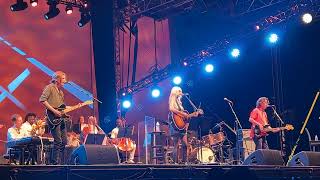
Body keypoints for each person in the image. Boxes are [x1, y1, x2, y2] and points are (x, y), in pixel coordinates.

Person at [39, 71, 77, 165]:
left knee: (64, 141)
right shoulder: (49, 87)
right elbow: (42, 100)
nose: (65, 81)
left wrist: (75, 106)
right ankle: (54, 162)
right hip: (53, 117)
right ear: (57, 79)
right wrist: (54, 111)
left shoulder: (60, 92)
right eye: (63, 78)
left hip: (61, 119)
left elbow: (62, 107)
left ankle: (59, 161)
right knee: (58, 141)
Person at [168, 86, 199, 164]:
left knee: (185, 144)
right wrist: (183, 114)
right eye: (179, 91)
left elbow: (185, 116)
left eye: (181, 91)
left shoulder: (179, 102)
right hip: (175, 125)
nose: (181, 92)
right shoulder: (173, 99)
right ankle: (175, 162)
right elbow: (171, 108)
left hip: (182, 126)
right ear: (174, 92)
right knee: (176, 144)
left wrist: (192, 115)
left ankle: (185, 162)